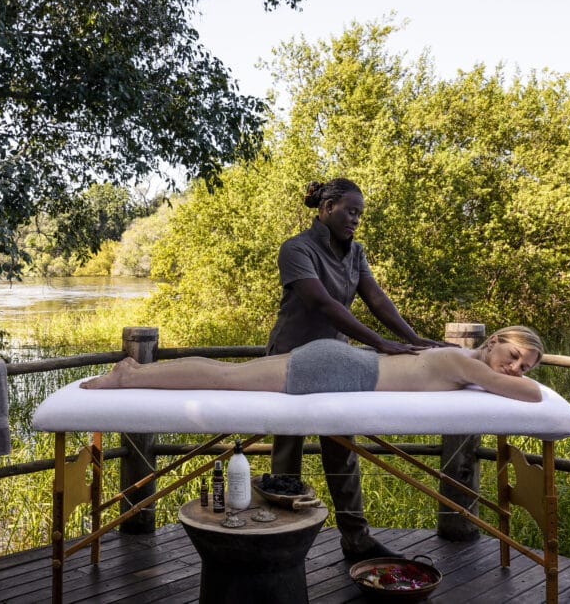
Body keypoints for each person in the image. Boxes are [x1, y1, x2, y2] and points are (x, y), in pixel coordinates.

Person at [267, 177, 448, 561]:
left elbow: (377, 300)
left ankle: (356, 538)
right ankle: (282, 538)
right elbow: (321, 303)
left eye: (359, 214)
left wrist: (415, 340)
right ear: (327, 207)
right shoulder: (295, 248)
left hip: (336, 362)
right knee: (288, 447)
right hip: (290, 357)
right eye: (350, 211)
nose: (356, 220)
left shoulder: (356, 253)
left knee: (343, 448)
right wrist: (379, 343)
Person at [81, 325, 545, 403]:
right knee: (225, 378)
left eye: (523, 367)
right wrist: (520, 382)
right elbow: (534, 394)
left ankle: (135, 373)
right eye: (514, 357)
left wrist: (512, 374)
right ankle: (131, 375)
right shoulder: (470, 364)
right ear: (498, 340)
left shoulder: (461, 356)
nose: (514, 371)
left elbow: (523, 386)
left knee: (228, 374)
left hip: (344, 361)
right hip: (340, 370)